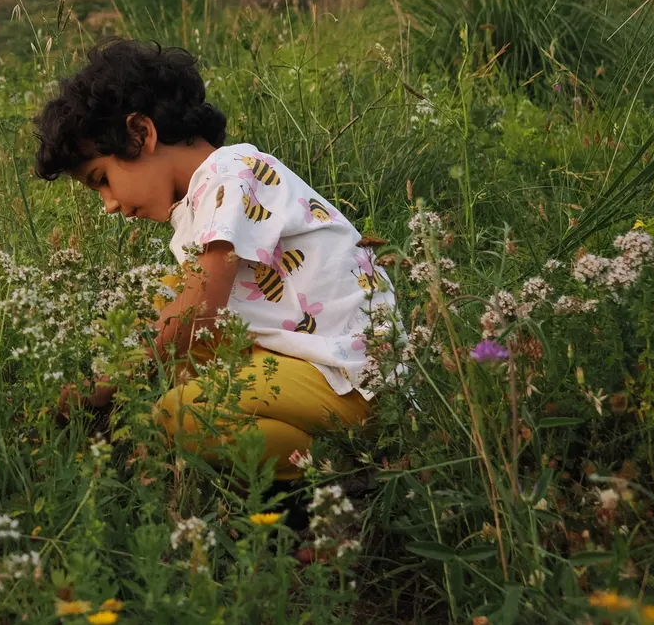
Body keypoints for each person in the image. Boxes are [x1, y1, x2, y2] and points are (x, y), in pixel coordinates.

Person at [33, 39, 395, 481]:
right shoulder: (207, 195)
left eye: (102, 179)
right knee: (158, 300)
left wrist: (105, 384)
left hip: (352, 381)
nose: (108, 204)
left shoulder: (231, 175)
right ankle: (128, 428)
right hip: (307, 364)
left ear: (140, 133)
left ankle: (351, 465)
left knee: (180, 412)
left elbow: (199, 312)